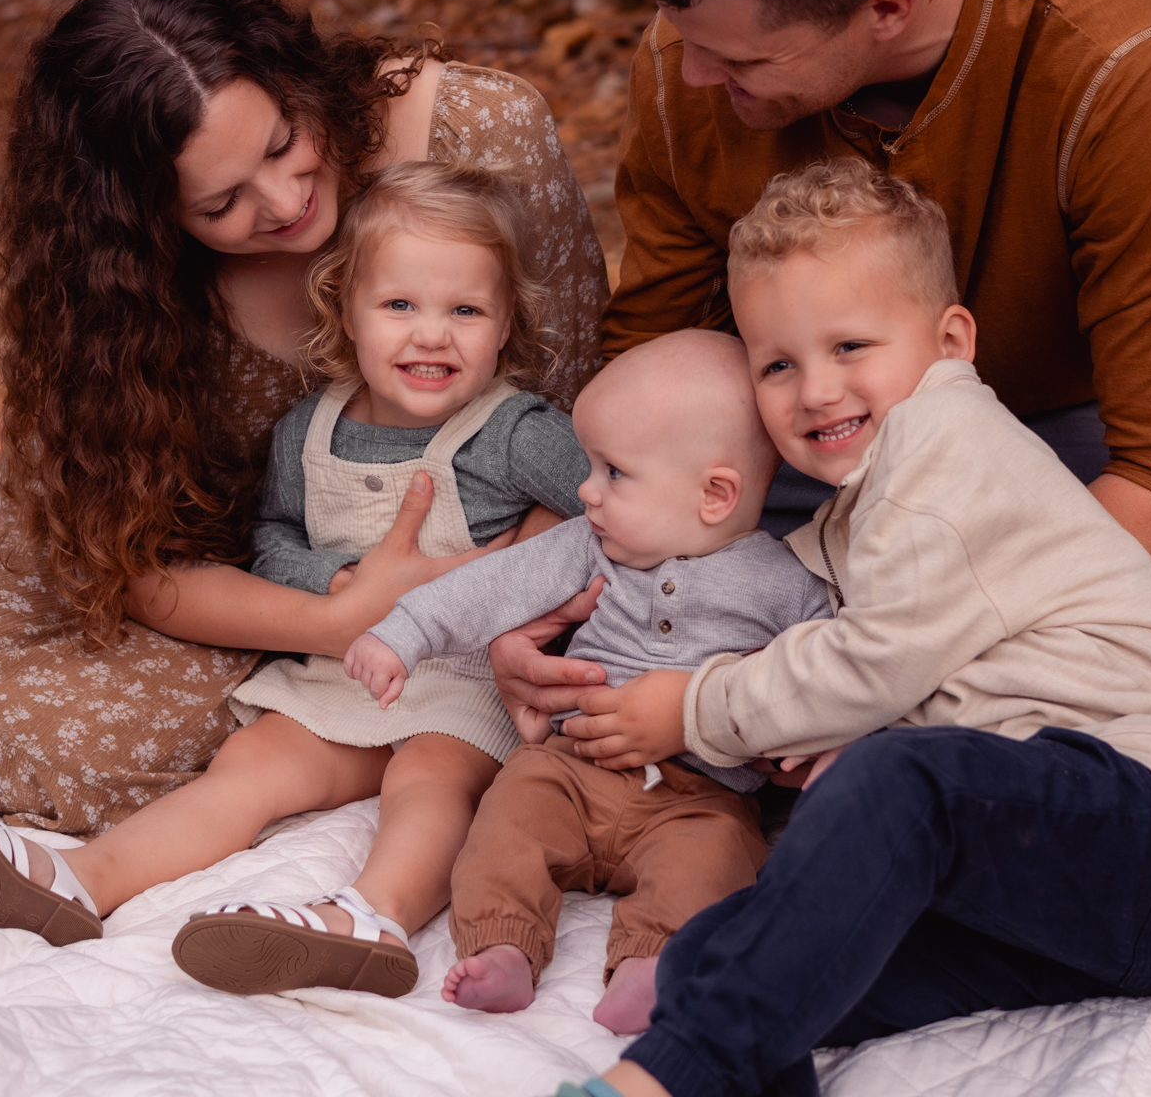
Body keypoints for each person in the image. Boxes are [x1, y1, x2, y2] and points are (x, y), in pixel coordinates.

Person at [367, 162, 1151, 1097]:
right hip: (1063, 899)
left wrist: (686, 708)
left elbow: (872, 661)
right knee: (723, 950)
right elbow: (797, 626)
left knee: (901, 781)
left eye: (852, 346)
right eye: (777, 362)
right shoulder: (862, 505)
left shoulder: (951, 455)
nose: (814, 389)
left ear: (948, 340)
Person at [486, 0, 1151, 736]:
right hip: (791, 452)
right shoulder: (697, 51)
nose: (691, 81)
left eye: (738, 61)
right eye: (686, 45)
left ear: (885, 8)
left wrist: (865, 672)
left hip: (1043, 464)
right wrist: (546, 608)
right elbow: (652, 382)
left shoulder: (1115, 64)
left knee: (1049, 715)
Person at [0, 0, 608, 839]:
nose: (285, 202)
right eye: (221, 202)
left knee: (98, 750)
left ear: (297, 79)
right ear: (146, 219)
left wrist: (500, 610)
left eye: (284, 142)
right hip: (208, 567)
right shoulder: (110, 288)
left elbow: (577, 428)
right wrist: (338, 618)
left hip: (470, 579)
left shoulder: (481, 130)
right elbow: (131, 557)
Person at [0, 162, 596, 989]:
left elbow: (608, 510)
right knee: (252, 765)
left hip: (465, 676)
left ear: (506, 325)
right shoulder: (308, 430)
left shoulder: (516, 431)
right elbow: (274, 535)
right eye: (399, 306)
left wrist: (523, 588)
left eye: (466, 310)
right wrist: (332, 580)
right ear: (345, 312)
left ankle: (372, 917)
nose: (432, 334)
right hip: (346, 671)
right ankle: (82, 880)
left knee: (430, 779)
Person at [345, 330, 828, 1033]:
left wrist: (816, 744)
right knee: (508, 816)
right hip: (574, 767)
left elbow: (826, 677)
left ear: (715, 494)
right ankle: (503, 944)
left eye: (613, 473)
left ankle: (654, 963)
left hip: (703, 796)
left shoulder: (789, 586)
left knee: (718, 861)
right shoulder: (589, 545)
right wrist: (403, 633)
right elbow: (490, 587)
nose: (585, 491)